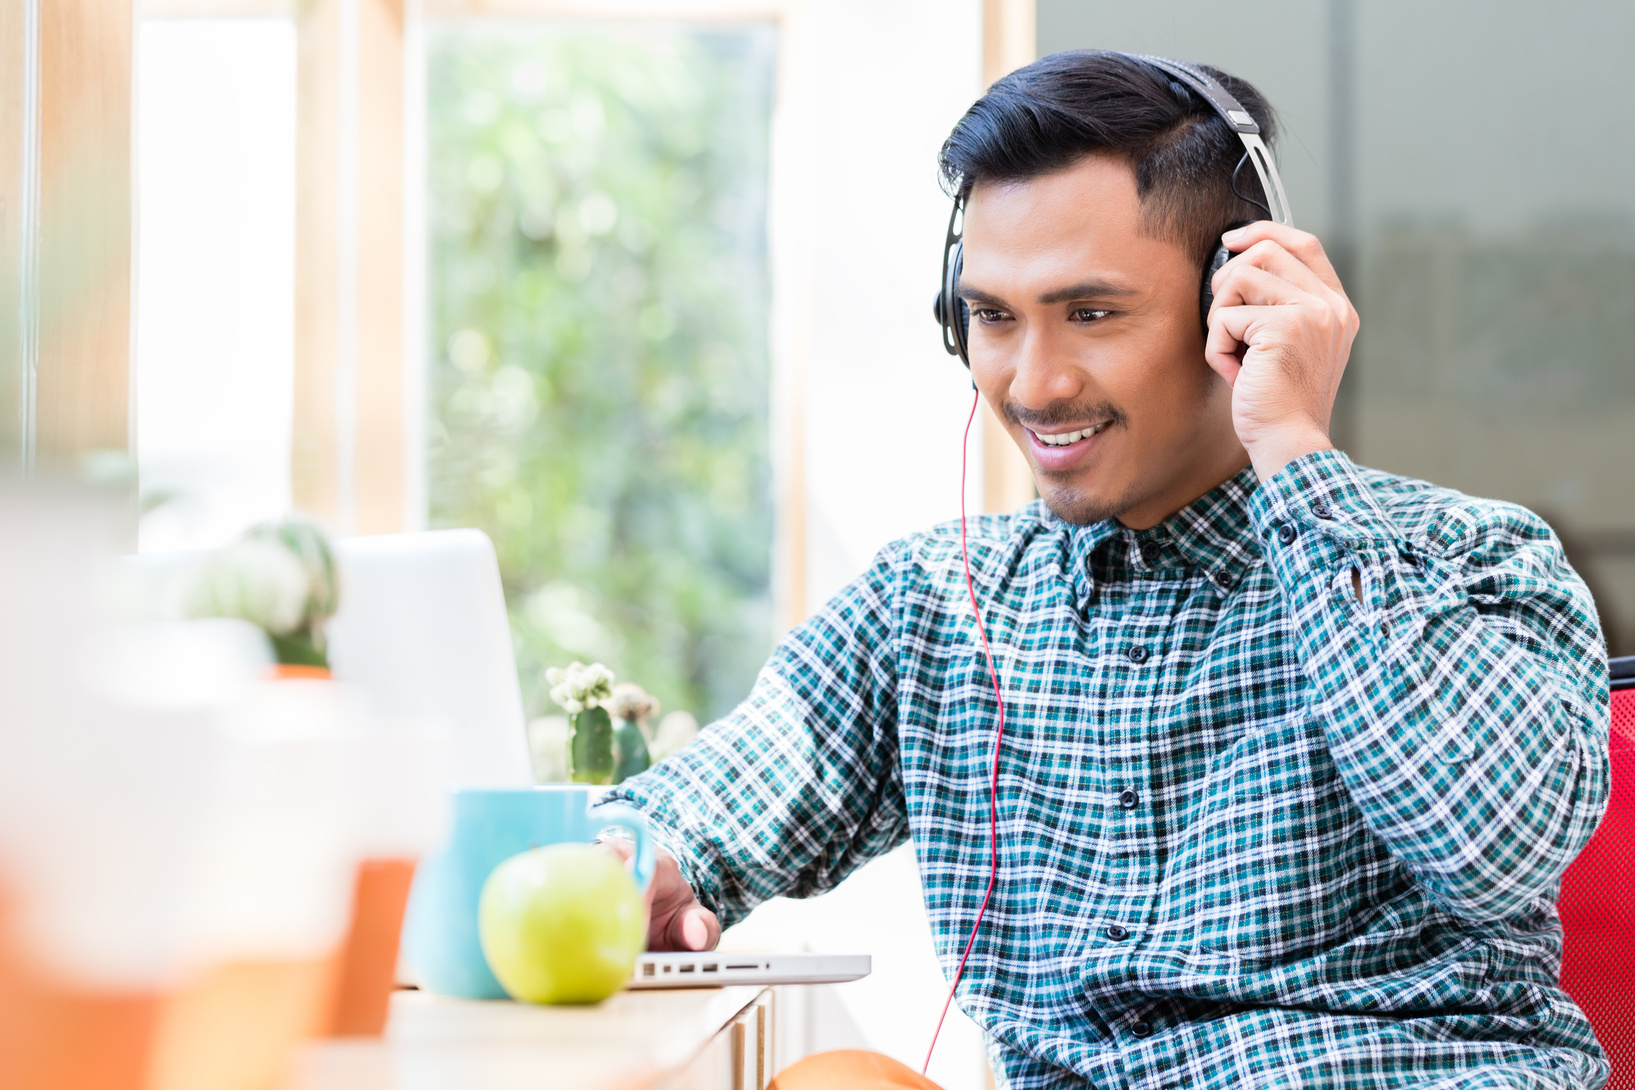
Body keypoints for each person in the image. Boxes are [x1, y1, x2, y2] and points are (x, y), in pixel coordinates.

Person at [605, 50, 1612, 1090]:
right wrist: (634, 859)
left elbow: (1499, 848)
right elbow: (721, 794)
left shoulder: (1466, 556)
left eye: (1091, 314)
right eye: (993, 317)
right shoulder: (934, 604)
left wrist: (1296, 454)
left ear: (1239, 300)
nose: (1033, 385)